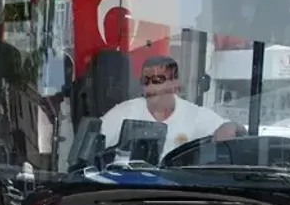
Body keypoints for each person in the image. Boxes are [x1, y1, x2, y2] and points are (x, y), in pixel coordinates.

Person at [99, 55, 239, 159]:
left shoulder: (194, 115)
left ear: (175, 83)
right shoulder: (123, 113)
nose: (150, 86)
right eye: (145, 81)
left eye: (157, 80)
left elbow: (233, 129)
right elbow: (93, 146)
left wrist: (230, 127)